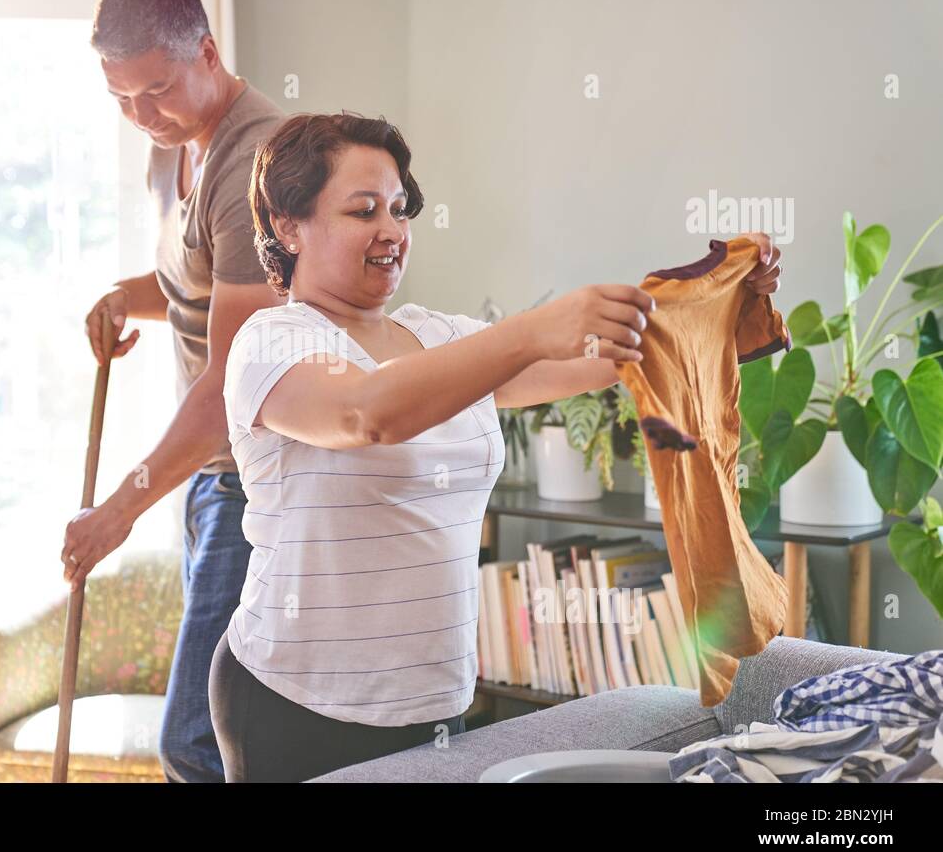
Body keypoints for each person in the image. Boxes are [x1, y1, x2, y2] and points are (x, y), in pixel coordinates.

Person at [209, 112, 783, 782]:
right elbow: (364, 413)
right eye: (363, 210)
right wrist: (532, 330)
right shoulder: (272, 341)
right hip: (296, 704)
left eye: (400, 209)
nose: (391, 230)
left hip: (437, 709)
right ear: (288, 226)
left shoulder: (440, 336)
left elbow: (611, 359)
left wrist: (719, 309)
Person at [58, 0, 285, 783]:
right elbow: (203, 284)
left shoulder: (256, 161)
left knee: (191, 739)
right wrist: (129, 297)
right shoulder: (172, 151)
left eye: (156, 89)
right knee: (235, 738)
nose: (142, 115)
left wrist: (117, 510)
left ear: (209, 53)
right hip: (207, 480)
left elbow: (233, 384)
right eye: (122, 98)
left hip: (254, 478)